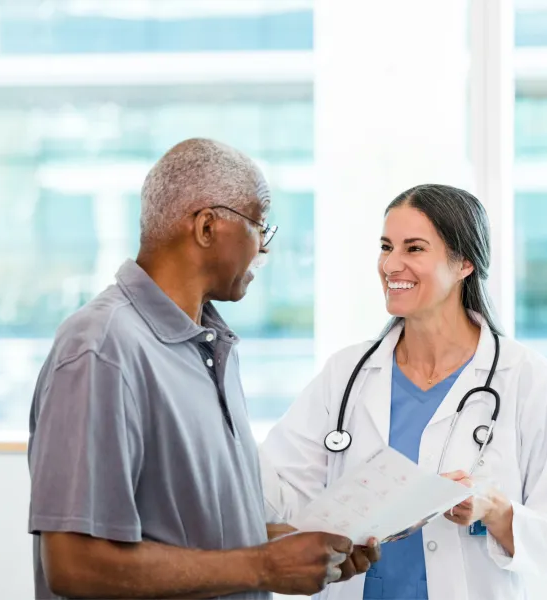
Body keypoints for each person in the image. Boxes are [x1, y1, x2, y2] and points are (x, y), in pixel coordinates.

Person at [27, 138, 379, 600]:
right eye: (260, 225)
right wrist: (262, 565)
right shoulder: (102, 348)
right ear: (208, 227)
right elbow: (76, 565)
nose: (265, 249)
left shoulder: (209, 347)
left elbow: (195, 536)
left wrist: (294, 549)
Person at [259, 184, 547, 600]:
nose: (390, 264)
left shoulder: (524, 377)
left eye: (414, 249)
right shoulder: (347, 373)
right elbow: (275, 492)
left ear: (464, 264)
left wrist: (493, 511)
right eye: (386, 246)